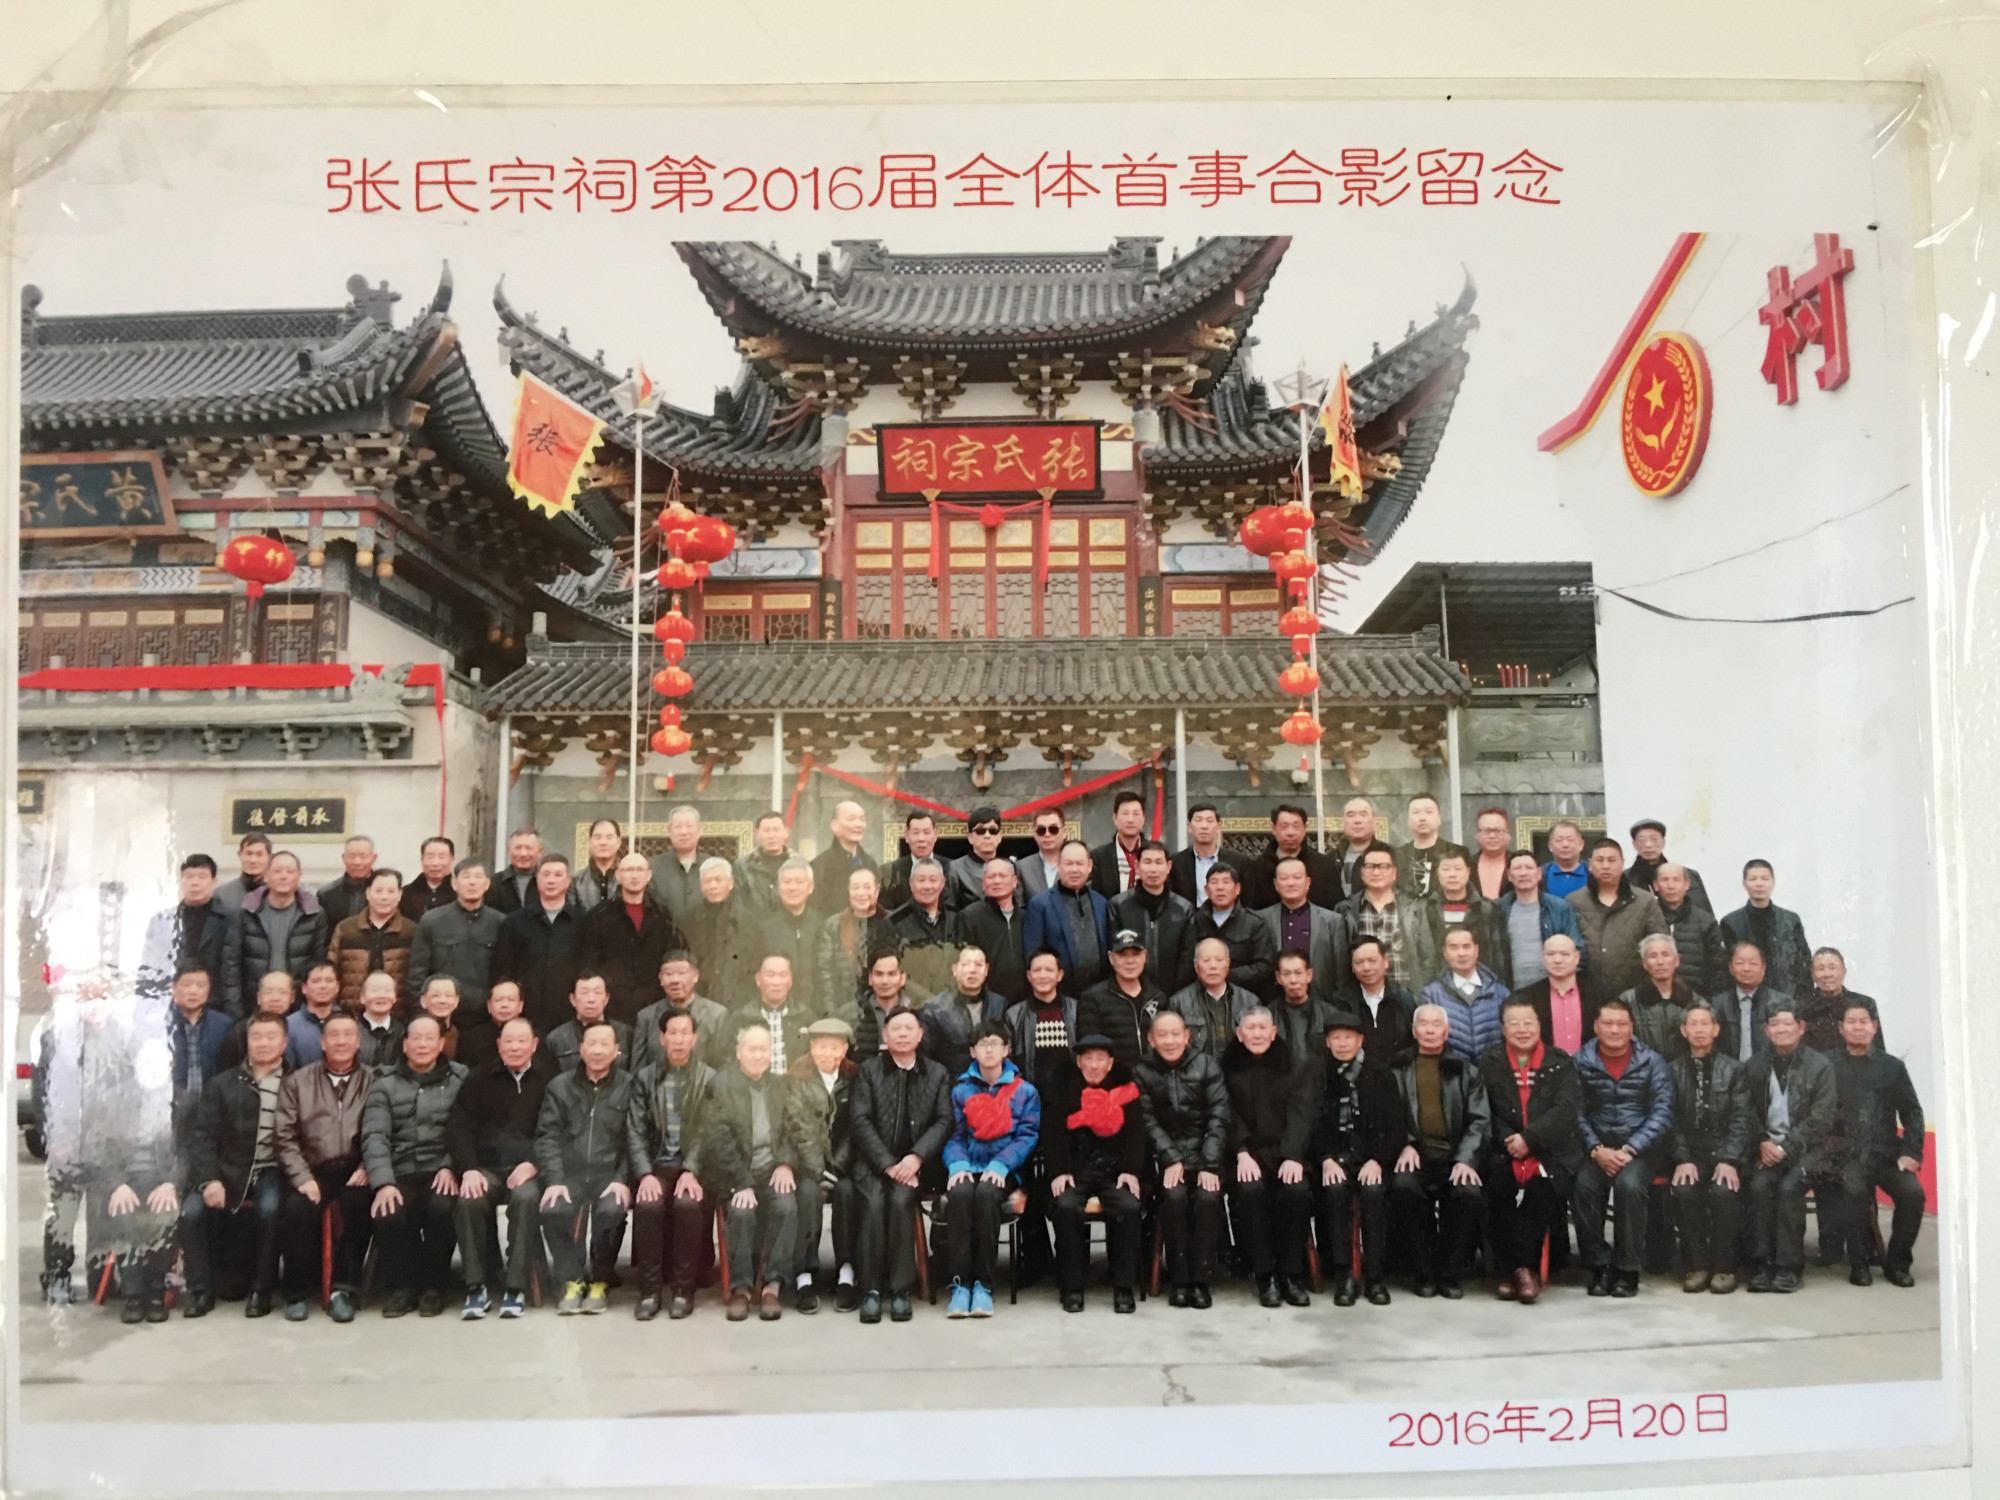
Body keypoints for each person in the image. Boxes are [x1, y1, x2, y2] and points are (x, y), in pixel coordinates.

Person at [40, 973, 180, 1322]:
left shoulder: (127, 1036)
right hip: (69, 1141)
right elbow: (46, 1094)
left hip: (108, 1141)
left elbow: (138, 1083)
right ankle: (57, 1277)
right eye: (88, 995)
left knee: (103, 1213)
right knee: (63, 1213)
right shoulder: (58, 1037)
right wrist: (57, 1137)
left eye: (102, 995)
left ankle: (101, 1276)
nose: (95, 1002)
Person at [180, 1012, 291, 1317]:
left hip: (271, 1169)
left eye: (271, 1037)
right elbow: (201, 1136)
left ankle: (261, 1290)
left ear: (284, 1043)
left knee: (270, 1210)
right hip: (225, 1168)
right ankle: (199, 1291)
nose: (263, 1043)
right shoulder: (222, 1083)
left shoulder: (295, 1082)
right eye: (257, 1037)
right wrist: (210, 1179)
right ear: (247, 1041)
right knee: (191, 1213)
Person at [847, 1005, 952, 1323]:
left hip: (916, 1166)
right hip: (873, 1164)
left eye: (909, 1028)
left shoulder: (937, 1073)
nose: (903, 1034)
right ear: (885, 1035)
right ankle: (871, 1290)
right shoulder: (869, 1071)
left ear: (920, 1035)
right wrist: (888, 1164)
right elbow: (860, 1120)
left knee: (902, 1201)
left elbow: (944, 1120)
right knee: (874, 1203)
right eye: (896, 1028)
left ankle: (901, 1290)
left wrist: (916, 1157)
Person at [1476, 999, 1581, 1304]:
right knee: (1498, 1188)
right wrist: (1511, 1140)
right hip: (1504, 1148)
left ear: (1539, 1026)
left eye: (1528, 1023)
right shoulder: (1490, 1062)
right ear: (1503, 1028)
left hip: (1550, 1150)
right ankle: (1523, 1271)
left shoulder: (1560, 1062)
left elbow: (1565, 1110)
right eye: (1514, 1024)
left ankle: (1516, 1272)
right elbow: (1485, 1109)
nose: (1522, 1030)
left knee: (1540, 1192)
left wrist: (1531, 1138)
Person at [361, 1014, 467, 1317]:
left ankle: (434, 1285)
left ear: (441, 1044)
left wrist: (451, 1165)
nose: (422, 1044)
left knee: (443, 1208)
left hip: (441, 1168)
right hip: (400, 1170)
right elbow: (375, 1135)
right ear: (405, 1044)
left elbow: (465, 1130)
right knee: (388, 1211)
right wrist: (383, 1182)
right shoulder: (384, 1084)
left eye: (429, 1038)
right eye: (415, 1038)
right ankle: (401, 1286)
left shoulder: (460, 1079)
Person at [446, 1015, 550, 1320]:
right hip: (487, 1168)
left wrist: (534, 1163)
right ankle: (475, 1286)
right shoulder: (478, 1079)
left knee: (526, 1199)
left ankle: (515, 1287)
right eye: (508, 1041)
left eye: (522, 1041)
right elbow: (460, 1127)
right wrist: (469, 1169)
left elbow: (555, 1131)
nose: (515, 1047)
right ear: (498, 1045)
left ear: (534, 1045)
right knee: (469, 1200)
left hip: (527, 1170)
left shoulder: (548, 1080)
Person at [1571, 996, 1674, 1297]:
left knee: (1629, 1186)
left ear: (1631, 1027)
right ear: (1596, 1026)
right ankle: (1599, 1266)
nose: (1614, 1030)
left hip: (1640, 1149)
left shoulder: (1652, 1061)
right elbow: (1573, 1110)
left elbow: (1662, 1111)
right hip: (1597, 1148)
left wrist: (1631, 1148)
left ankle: (1627, 1270)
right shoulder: (1580, 1061)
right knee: (1584, 1186)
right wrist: (1595, 1149)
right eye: (1608, 1023)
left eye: (1621, 1024)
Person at [273, 1011, 373, 1322]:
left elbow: (383, 1130)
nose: (341, 1041)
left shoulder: (375, 1080)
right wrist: (302, 1177)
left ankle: (343, 1291)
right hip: (312, 1167)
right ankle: (297, 1292)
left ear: (358, 1041)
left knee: (359, 1205)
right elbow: (284, 1136)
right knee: (297, 1209)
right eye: (334, 1035)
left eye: (348, 1035)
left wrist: (368, 1165)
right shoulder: (297, 1082)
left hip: (356, 1167)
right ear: (322, 1042)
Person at [704, 1021, 805, 1322]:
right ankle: (742, 1289)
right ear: (739, 1052)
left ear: (771, 1053)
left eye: (764, 1049)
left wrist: (785, 1163)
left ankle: (772, 1286)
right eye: (752, 1049)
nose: (758, 1055)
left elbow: (794, 1129)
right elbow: (718, 1140)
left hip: (772, 1172)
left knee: (787, 1207)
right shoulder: (720, 1085)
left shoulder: (782, 1085)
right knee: (742, 1212)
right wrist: (742, 1182)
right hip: (737, 1174)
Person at [1819, 1004, 1926, 1288]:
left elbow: (1912, 1112)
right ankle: (1859, 1263)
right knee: (1853, 1192)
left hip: (1886, 1153)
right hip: (1845, 1154)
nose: (1857, 1027)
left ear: (1874, 1028)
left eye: (1863, 1021)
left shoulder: (1892, 1067)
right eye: (1851, 1022)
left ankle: (1897, 1262)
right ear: (1841, 1028)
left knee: (1912, 1194)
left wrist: (1911, 1152)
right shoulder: (1827, 1064)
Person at [535, 1019, 635, 1314]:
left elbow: (636, 1138)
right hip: (570, 1175)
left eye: (605, 1044)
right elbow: (547, 1136)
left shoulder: (629, 1086)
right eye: (592, 1044)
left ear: (616, 1050)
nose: (598, 1050)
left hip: (610, 1175)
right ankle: (572, 1280)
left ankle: (601, 1281)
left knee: (612, 1210)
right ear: (581, 1049)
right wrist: (555, 1179)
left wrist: (622, 1178)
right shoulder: (559, 1087)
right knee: (553, 1209)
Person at [1390, 1003, 1490, 1298]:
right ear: (1414, 1031)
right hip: (1415, 1156)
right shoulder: (1396, 1069)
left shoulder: (1467, 1071)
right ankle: (1423, 1272)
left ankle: (1449, 1273)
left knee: (1468, 1193)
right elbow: (1387, 1115)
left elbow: (1480, 1120)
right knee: (1403, 1188)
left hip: (1454, 1157)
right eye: (1424, 1024)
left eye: (1437, 1025)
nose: (1430, 1030)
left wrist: (1466, 1159)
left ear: (1447, 1032)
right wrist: (1405, 1144)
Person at [943, 1021, 1041, 1318]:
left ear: (1006, 1050)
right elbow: (954, 1135)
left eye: (995, 1043)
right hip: (968, 1164)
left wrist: (1002, 1164)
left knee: (986, 1194)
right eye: (982, 1044)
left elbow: (1027, 1136)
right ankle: (960, 1284)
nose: (989, 1049)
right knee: (960, 1194)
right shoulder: (960, 1091)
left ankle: (983, 1285)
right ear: (972, 1051)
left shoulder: (1025, 1091)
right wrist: (957, 1164)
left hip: (1005, 1170)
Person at [1043, 1036, 1145, 1314]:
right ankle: (1072, 1287)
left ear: (1110, 1064)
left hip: (1114, 1170)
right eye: (1088, 1059)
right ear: (1079, 1062)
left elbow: (1136, 1134)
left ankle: (1123, 1287)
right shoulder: (1064, 1089)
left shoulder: (1125, 1090)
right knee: (1066, 1207)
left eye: (1100, 1059)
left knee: (1128, 1207)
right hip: (1076, 1170)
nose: (1094, 1065)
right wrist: (1059, 1170)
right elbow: (1052, 1132)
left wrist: (1130, 1170)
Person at [1135, 1009, 1228, 1308]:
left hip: (1206, 1157)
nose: (1170, 1041)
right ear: (1151, 1039)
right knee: (1173, 1200)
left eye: (1176, 1034)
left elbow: (1218, 1115)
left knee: (1207, 1199)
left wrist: (1209, 1163)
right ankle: (1180, 1280)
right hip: (1167, 1161)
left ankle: (1201, 1281)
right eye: (1162, 1035)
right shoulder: (1142, 1072)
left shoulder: (1206, 1064)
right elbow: (1148, 1121)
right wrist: (1171, 1158)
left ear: (1187, 1036)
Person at [1741, 1002, 1836, 1293]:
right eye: (1775, 1024)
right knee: (1759, 1186)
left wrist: (1785, 1149)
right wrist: (1762, 1142)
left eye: (1787, 1023)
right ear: (1767, 1030)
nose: (1781, 1029)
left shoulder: (1820, 1066)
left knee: (1790, 1187)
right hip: (1766, 1149)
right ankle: (1762, 1263)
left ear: (1800, 1027)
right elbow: (1746, 1111)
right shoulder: (1755, 1065)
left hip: (1809, 1151)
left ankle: (1789, 1267)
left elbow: (1821, 1118)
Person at [627, 1010, 717, 1320]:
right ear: (662, 1038)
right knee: (648, 1205)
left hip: (693, 1168)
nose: (679, 1040)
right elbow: (635, 1131)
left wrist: (691, 1169)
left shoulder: (708, 1078)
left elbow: (707, 1130)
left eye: (685, 1033)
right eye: (673, 1033)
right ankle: (650, 1291)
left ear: (694, 1038)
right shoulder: (645, 1078)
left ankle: (682, 1289)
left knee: (688, 1205)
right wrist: (644, 1174)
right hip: (657, 1166)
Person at [1222, 1005, 1314, 1307]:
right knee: (1251, 1193)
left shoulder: (1295, 1066)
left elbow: (1301, 1116)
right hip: (1247, 1155)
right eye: (1251, 1028)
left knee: (1295, 1192)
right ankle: (1265, 1276)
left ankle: (1291, 1274)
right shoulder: (1226, 1067)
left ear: (1274, 1033)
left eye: (1263, 1028)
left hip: (1286, 1153)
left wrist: (1292, 1156)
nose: (1257, 1034)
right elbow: (1227, 1115)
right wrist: (1241, 1151)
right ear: (1239, 1034)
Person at [1312, 1010, 1404, 1307]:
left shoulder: (1380, 1074)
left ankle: (1375, 1276)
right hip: (1334, 1159)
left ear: (1360, 1040)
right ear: (1327, 1042)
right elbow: (1311, 1123)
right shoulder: (1318, 1075)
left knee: (1374, 1194)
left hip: (1371, 1159)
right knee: (1335, 1193)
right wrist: (1326, 1158)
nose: (1342, 1044)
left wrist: (1378, 1159)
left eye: (1348, 1037)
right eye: (1336, 1038)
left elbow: (1394, 1124)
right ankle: (1344, 1276)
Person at [1667, 1000, 1753, 1295]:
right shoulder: (1672, 1070)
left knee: (1724, 1192)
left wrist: (1729, 1159)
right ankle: (1697, 1265)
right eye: (1693, 1024)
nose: (1699, 1030)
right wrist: (1682, 1158)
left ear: (1716, 1029)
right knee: (1684, 1190)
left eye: (1705, 1024)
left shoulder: (1734, 1069)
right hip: (1689, 1155)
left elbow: (1742, 1118)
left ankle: (1725, 1267)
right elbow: (1670, 1120)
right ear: (1684, 1030)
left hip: (1724, 1153)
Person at [785, 1016, 859, 1312]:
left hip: (843, 1165)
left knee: (847, 1192)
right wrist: (818, 1171)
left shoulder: (855, 1077)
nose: (827, 1053)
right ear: (812, 1048)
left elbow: (855, 1127)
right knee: (807, 1194)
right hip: (808, 1164)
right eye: (821, 1047)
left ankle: (847, 1271)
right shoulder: (797, 1077)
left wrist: (836, 1167)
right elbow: (798, 1127)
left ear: (844, 1050)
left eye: (834, 1047)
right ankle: (804, 1273)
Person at [579, 852, 686, 1026]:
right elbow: (590, 962)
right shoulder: (599, 915)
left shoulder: (663, 914)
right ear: (618, 876)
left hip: (655, 1005)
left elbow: (672, 956)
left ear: (648, 875)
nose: (634, 875)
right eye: (628, 870)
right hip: (613, 1006)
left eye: (639, 870)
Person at [222, 851, 326, 1018]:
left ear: (299, 876)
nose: (283, 876)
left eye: (290, 871)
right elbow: (231, 964)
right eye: (277, 871)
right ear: (266, 875)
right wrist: (234, 1007)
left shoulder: (314, 914)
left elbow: (318, 964)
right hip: (253, 1004)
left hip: (298, 1007)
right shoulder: (246, 912)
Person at [491, 855, 586, 1033]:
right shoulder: (515, 922)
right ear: (537, 880)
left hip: (569, 1017)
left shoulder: (583, 921)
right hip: (525, 1016)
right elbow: (503, 970)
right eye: (546, 874)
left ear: (568, 881)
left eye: (558, 875)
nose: (551, 880)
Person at [1567, 839, 1666, 1009]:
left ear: (1622, 864)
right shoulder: (1573, 902)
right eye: (1600, 860)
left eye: (1612, 860)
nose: (1606, 866)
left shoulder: (1644, 901)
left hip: (1635, 996)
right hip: (1585, 996)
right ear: (1590, 865)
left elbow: (1660, 945)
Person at [407, 857, 506, 1019]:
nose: (472, 883)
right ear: (454, 883)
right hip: (441, 1014)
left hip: (486, 1016)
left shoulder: (500, 923)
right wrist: (422, 1014)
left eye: (478, 877)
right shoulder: (432, 921)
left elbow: (506, 975)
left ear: (487, 884)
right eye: (466, 877)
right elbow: (417, 975)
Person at [1338, 844, 1438, 994]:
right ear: (1362, 872)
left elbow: (1428, 960)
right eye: (1370, 866)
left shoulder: (1414, 909)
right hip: (1361, 999)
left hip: (1406, 998)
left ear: (1394, 873)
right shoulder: (1346, 911)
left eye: (1383, 866)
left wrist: (1417, 996)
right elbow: (1339, 963)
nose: (1376, 872)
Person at [1106, 840, 1196, 992]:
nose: (1153, 869)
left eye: (1158, 862)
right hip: (1129, 992)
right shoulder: (1118, 905)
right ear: (1137, 866)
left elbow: (1187, 957)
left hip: (1173, 993)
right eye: (1147, 862)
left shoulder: (1184, 908)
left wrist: (1175, 993)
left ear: (1168, 867)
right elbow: (1113, 952)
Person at [1720, 859, 1814, 1003]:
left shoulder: (1790, 920)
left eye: (1765, 878)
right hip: (1747, 1001)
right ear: (1744, 884)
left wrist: (1803, 1002)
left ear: (1773, 882)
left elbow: (1804, 964)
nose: (1759, 884)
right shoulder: (1731, 923)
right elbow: (1725, 970)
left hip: (1786, 1000)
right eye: (1753, 879)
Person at [1254, 856, 1348, 999]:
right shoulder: (1260, 919)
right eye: (1284, 878)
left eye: (1297, 877)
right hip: (1273, 1002)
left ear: (1308, 882)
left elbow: (1341, 972)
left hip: (1321, 1001)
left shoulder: (1332, 921)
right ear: (1276, 884)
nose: (1291, 883)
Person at [138, 854, 230, 1000]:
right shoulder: (162, 920)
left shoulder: (230, 920)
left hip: (216, 1001)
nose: (194, 883)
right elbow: (150, 965)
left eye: (202, 877)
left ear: (214, 881)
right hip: (171, 1001)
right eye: (188, 877)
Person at [1023, 840, 1109, 993]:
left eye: (1079, 864)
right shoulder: (1040, 904)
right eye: (1068, 864)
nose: (1074, 869)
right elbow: (1033, 954)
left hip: (1098, 992)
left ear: (1089, 866)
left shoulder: (1101, 902)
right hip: (1058, 993)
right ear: (1058, 865)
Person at [1075, 929, 1168, 1068]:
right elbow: (1089, 1051)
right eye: (1122, 955)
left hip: (1154, 1077)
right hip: (1115, 1079)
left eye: (1135, 954)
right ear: (1111, 958)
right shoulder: (1092, 998)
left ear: (1145, 956)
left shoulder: (1158, 998)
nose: (1130, 961)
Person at [1496, 851, 1585, 993]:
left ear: (1539, 873)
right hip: (1509, 992)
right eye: (1517, 868)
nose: (1523, 873)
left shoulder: (1559, 908)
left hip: (1552, 992)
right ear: (1509, 876)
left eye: (1529, 868)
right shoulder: (1498, 909)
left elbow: (1577, 950)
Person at [328, 869, 416, 1010]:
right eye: (378, 891)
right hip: (351, 1012)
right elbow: (332, 971)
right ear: (368, 893)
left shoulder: (411, 930)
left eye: (391, 891)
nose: (384, 897)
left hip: (397, 1013)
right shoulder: (346, 929)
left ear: (400, 894)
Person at [1420, 927, 1509, 1065]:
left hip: (1492, 1070)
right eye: (1454, 948)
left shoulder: (1499, 992)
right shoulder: (1432, 994)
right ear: (1445, 953)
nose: (1461, 953)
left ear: (1476, 950)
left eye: (1466, 946)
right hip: (1451, 1071)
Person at [1165, 936, 1262, 1060]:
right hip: (1197, 1070)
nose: (1213, 966)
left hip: (1240, 1069)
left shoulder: (1250, 1001)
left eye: (1219, 960)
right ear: (1196, 966)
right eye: (1206, 960)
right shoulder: (1178, 1003)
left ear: (1228, 963)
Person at [920, 945, 1009, 1080]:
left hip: (994, 1084)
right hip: (951, 1085)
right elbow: (927, 1060)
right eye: (966, 964)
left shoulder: (1000, 1005)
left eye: (978, 965)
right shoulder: (935, 1010)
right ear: (955, 970)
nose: (972, 970)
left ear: (986, 970)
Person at [633, 951, 731, 1073]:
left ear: (695, 976)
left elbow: (723, 1067)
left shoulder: (717, 1015)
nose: (675, 980)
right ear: (661, 979)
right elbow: (637, 1071)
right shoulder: (646, 1016)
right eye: (669, 974)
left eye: (681, 973)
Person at [1192, 865, 1277, 1000]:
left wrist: (1224, 975)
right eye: (1214, 882)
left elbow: (1263, 966)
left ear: (1238, 889)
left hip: (1244, 997)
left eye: (1226, 882)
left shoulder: (1255, 923)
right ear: (1206, 890)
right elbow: (1187, 961)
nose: (1220, 887)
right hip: (1201, 996)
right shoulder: (1195, 921)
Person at [815, 868, 890, 1019]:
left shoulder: (892, 922)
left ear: (876, 890)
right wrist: (832, 1014)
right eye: (856, 888)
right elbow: (824, 975)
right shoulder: (833, 925)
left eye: (867, 887)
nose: (861, 893)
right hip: (844, 1010)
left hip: (886, 1009)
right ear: (849, 891)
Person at [1241, 803, 1342, 911]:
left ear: (1305, 828)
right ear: (1273, 828)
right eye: (1284, 826)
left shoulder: (1324, 866)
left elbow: (1336, 909)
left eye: (1296, 826)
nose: (1290, 832)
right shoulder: (1257, 869)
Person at [885, 856, 960, 1000]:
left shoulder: (957, 919)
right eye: (921, 880)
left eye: (933, 880)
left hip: (953, 1002)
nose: (927, 886)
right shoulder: (894, 922)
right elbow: (893, 971)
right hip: (912, 1003)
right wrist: (930, 1001)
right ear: (911, 883)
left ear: (942, 883)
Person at [1332, 935, 1415, 1064]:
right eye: (1359, 963)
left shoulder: (1404, 999)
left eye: (1372, 961)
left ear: (1386, 962)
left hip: (1398, 1071)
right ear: (1352, 967)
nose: (1366, 968)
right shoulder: (1340, 1001)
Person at [729, 954, 816, 1076]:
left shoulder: (805, 1016)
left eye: (783, 975)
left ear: (790, 981)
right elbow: (728, 1061)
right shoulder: (742, 1018)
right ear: (758, 979)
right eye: (770, 975)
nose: (776, 982)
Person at [957, 858, 1029, 1005]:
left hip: (1024, 1003)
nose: (997, 881)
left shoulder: (1026, 917)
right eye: (991, 876)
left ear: (1015, 882)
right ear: (983, 883)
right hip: (987, 1003)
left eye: (1002, 876)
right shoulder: (970, 916)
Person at [751, 858, 821, 1008]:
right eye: (787, 882)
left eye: (799, 882)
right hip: (778, 1008)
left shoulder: (823, 924)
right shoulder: (763, 928)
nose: (792, 888)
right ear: (778, 887)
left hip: (816, 1007)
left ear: (810, 887)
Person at [1620, 933, 1702, 1061]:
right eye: (1653, 956)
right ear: (1644, 963)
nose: (1660, 962)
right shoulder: (1628, 1001)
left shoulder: (1694, 1001)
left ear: (1677, 960)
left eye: (1665, 954)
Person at [1431, 851, 1508, 984]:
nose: (1452, 874)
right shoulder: (1426, 910)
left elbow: (1498, 956)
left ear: (1468, 872)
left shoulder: (1487, 909)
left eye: (1458, 869)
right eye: (1446, 869)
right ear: (1438, 874)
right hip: (1438, 986)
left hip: (1482, 984)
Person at [1510, 933, 1592, 1057]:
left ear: (1577, 958)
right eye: (1551, 954)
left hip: (1588, 1067)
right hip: (1546, 1067)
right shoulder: (1527, 997)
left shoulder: (1596, 994)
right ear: (1543, 957)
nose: (1557, 960)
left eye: (1564, 954)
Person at [688, 858, 754, 1011]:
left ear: (731, 883)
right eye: (707, 881)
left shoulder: (748, 921)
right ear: (701, 886)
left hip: (739, 1001)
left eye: (718, 880)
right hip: (700, 1001)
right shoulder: (689, 920)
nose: (713, 886)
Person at [1655, 863, 1728, 999]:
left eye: (1676, 880)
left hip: (1695, 1001)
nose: (1671, 886)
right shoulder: (1646, 918)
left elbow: (1719, 969)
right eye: (1665, 880)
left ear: (1687, 884)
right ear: (1656, 885)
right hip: (1653, 1000)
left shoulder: (1706, 922)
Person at [164, 963, 232, 1106]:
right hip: (169, 1104)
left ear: (209, 990)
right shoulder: (161, 1025)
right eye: (186, 985)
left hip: (213, 1106)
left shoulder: (224, 1025)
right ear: (173, 987)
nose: (193, 991)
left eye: (201, 985)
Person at [1802, 947, 1885, 1056]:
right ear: (1812, 974)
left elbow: (1877, 1050)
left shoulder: (1864, 1003)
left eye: (1832, 967)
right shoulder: (1802, 1006)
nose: (1827, 974)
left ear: (1844, 971)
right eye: (1820, 969)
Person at [1714, 941, 1786, 1064]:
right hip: (1729, 1072)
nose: (1746, 969)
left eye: (1753, 963)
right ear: (1730, 967)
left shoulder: (1781, 1003)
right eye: (1740, 963)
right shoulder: (1717, 1004)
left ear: (1763, 968)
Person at [1270, 950, 1339, 1072]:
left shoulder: (1329, 1014)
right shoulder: (1269, 1015)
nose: (1293, 980)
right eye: (1286, 974)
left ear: (1309, 975)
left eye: (1298, 973)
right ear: (1278, 978)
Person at [217, 970, 297, 1071]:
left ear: (292, 997)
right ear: (259, 997)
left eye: (282, 992)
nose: (275, 998)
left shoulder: (298, 1029)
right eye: (268, 992)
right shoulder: (240, 1033)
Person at [809, 800, 878, 917]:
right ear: (834, 825)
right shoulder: (819, 866)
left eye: (862, 819)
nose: (859, 824)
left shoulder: (870, 863)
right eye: (852, 819)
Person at [1627, 818, 1712, 912]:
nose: (1648, 845)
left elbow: (1705, 916)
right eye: (1642, 840)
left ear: (1663, 842)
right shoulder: (1623, 880)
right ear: (1634, 844)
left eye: (1654, 839)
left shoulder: (1689, 876)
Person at [1170, 802, 1246, 904]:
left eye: (1209, 821)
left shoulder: (1239, 862)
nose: (1204, 826)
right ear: (1189, 827)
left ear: (1219, 827)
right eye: (1198, 820)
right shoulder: (1175, 863)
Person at [1400, 793, 1469, 901]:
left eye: (1428, 812)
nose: (1422, 818)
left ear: (1439, 818)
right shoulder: (1398, 855)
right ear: (1408, 820)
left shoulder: (1458, 852)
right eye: (1416, 812)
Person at [851, 948, 915, 1063]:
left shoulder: (917, 1012)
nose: (885, 981)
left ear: (902, 978)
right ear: (870, 978)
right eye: (879, 974)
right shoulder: (852, 1014)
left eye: (891, 974)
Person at [1333, 796, 1400, 903]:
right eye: (1351, 815)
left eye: (1363, 814)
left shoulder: (1393, 855)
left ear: (1374, 820)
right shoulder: (1331, 859)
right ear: (1342, 822)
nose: (1357, 820)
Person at [882, 810, 950, 913]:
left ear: (935, 835)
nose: (921, 839)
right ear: (906, 835)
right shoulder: (892, 871)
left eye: (926, 832)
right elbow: (886, 913)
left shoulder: (952, 868)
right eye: (916, 833)